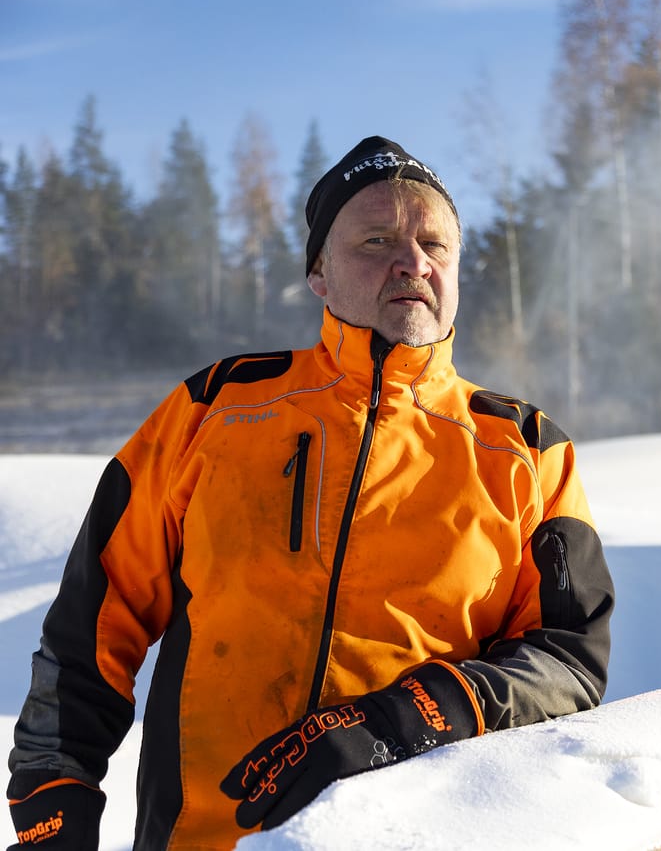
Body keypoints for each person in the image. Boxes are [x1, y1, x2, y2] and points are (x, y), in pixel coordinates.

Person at [6, 136, 615, 850]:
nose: (412, 262)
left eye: (434, 244)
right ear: (319, 273)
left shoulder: (526, 449)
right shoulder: (216, 408)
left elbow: (569, 660)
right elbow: (88, 630)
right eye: (377, 239)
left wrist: (400, 720)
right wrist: (53, 804)